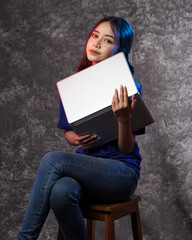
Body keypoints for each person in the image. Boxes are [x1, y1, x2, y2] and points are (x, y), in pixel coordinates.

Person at [17, 16, 145, 240]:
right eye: (94, 36)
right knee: (60, 191)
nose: (96, 43)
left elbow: (126, 149)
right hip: (87, 171)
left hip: (121, 174)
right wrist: (76, 139)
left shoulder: (128, 87)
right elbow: (68, 131)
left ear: (119, 50)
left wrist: (124, 119)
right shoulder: (74, 87)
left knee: (52, 160)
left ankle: (24, 238)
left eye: (107, 40)